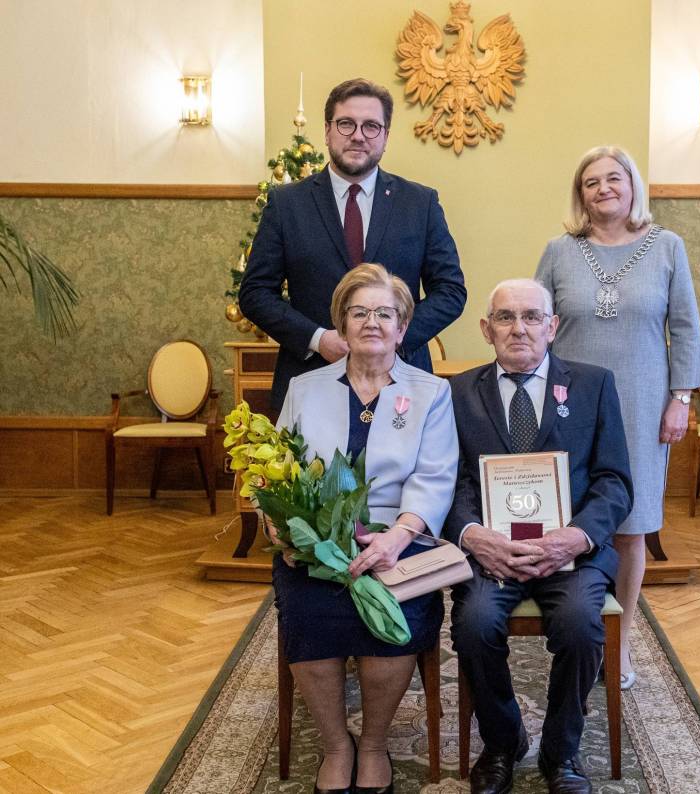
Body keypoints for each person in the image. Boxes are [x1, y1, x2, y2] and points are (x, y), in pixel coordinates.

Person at [268, 264, 458, 793]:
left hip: (400, 538)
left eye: (384, 313)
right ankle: (337, 745)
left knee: (395, 619)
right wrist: (283, 525)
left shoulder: (431, 392)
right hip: (315, 541)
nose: (372, 322)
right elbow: (276, 467)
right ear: (341, 325)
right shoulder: (304, 388)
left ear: (403, 327)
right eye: (359, 313)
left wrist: (397, 538)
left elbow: (435, 477)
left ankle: (373, 743)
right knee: (310, 613)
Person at [443, 279, 633, 794]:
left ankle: (560, 752)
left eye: (531, 317)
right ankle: (503, 743)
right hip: (492, 555)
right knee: (474, 624)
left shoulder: (594, 385)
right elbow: (451, 481)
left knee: (579, 626)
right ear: (486, 330)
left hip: (571, 554)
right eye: (505, 317)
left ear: (552, 327)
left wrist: (577, 536)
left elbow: (614, 481)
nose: (519, 328)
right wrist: (473, 535)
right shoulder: (457, 392)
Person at [535, 145, 700, 690]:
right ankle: (573, 631)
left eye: (614, 178)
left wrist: (681, 398)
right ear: (580, 194)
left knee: (631, 527)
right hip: (569, 404)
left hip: (641, 402)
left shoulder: (667, 247)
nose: (603, 188)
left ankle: (622, 640)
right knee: (566, 517)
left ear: (633, 186)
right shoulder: (559, 251)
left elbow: (685, 327)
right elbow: (535, 325)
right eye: (591, 182)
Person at [240, 77, 467, 410]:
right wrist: (318, 339)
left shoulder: (420, 203)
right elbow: (255, 293)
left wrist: (391, 338)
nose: (358, 135)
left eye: (371, 126)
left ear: (385, 137)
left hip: (401, 384)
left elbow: (451, 291)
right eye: (346, 124)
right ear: (327, 131)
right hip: (312, 380)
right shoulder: (287, 204)